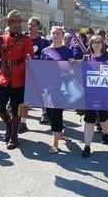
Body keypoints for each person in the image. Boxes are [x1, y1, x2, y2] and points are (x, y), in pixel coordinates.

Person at [0, 10, 34, 150]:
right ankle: (9, 126)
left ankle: (14, 135)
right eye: (13, 21)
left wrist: (14, 70)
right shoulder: (1, 38)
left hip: (18, 79)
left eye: (18, 22)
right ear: (8, 23)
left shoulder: (26, 40)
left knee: (17, 109)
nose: (16, 24)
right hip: (3, 78)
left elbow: (29, 61)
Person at [40, 26, 75, 154]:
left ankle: (55, 144)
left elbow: (72, 70)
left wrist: (72, 63)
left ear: (62, 36)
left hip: (61, 88)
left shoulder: (67, 51)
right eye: (53, 33)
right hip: (47, 88)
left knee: (56, 114)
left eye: (58, 33)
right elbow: (40, 67)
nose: (55, 36)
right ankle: (59, 129)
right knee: (49, 113)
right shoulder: (45, 51)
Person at [81, 35, 108, 157]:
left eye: (99, 42)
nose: (96, 44)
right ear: (90, 44)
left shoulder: (107, 57)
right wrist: (74, 62)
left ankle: (105, 133)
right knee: (89, 118)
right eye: (94, 42)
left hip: (104, 93)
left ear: (102, 44)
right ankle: (87, 146)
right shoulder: (86, 58)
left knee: (103, 116)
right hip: (90, 94)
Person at [19, 17, 51, 133]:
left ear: (38, 27)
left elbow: (49, 56)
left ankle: (44, 113)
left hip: (39, 74)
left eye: (32, 25)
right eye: (28, 24)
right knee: (26, 98)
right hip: (25, 73)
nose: (30, 27)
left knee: (42, 95)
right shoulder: (22, 39)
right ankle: (23, 122)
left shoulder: (44, 41)